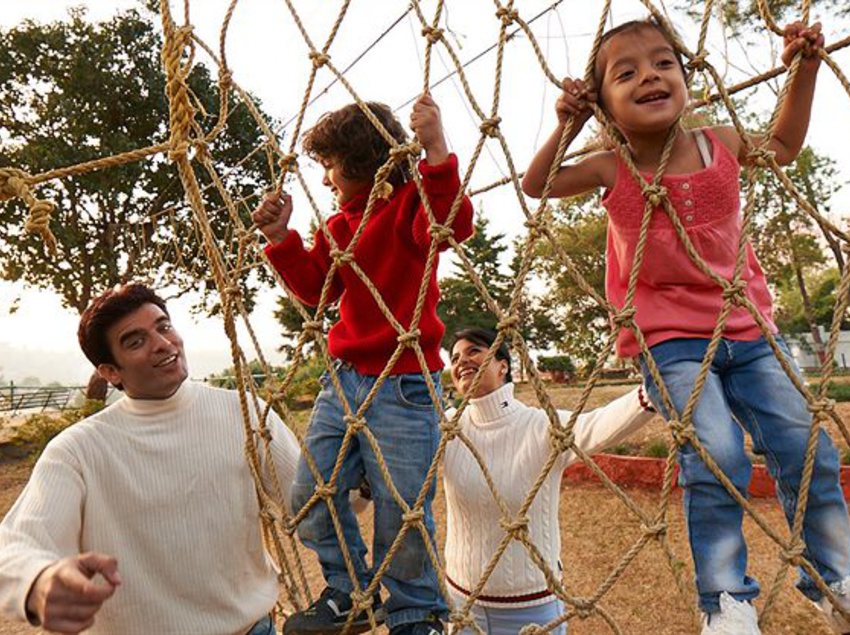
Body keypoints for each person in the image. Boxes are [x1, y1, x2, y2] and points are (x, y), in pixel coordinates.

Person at [522, 16, 850, 635]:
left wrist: (803, 71)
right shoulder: (610, 167)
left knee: (806, 445)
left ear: (686, 77)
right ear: (605, 104)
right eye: (626, 73)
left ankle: (832, 576)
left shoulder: (717, 142)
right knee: (715, 451)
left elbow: (783, 145)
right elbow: (537, 185)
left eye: (663, 63)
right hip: (669, 341)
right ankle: (725, 600)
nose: (649, 75)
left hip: (748, 327)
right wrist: (568, 122)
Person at [251, 95, 474, 635]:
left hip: (405, 383)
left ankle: (416, 612)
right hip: (344, 381)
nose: (325, 177)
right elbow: (315, 290)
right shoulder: (338, 226)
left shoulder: (410, 205)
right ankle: (351, 591)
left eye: (330, 164)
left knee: (402, 510)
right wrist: (280, 238)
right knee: (310, 496)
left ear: (362, 160)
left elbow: (450, 225)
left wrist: (436, 149)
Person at [0, 283, 301, 635]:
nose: (162, 343)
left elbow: (311, 501)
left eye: (164, 326)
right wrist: (39, 582)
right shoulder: (77, 450)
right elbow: (15, 547)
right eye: (135, 341)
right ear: (110, 372)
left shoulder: (245, 413)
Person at [443, 328, 656, 635]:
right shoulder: (448, 426)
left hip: (530, 608)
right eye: (454, 358)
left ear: (503, 366)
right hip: (462, 604)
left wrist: (652, 391)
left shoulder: (539, 426)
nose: (461, 361)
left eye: (473, 351)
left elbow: (595, 425)